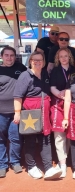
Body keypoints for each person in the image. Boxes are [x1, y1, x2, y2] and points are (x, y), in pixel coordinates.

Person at [13, 51, 61, 180]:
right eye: (35, 60)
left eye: (40, 60)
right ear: (30, 61)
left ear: (43, 61)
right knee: (30, 140)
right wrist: (17, 113)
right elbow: (18, 96)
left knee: (45, 139)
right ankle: (31, 167)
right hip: (30, 113)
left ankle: (48, 167)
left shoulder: (45, 73)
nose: (38, 62)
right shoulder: (25, 76)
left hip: (44, 112)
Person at [0, 47, 26, 178]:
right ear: (2, 56)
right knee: (1, 139)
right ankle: (2, 165)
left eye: (11, 55)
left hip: (17, 111)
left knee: (15, 138)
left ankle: (15, 162)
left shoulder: (21, 68)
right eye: (6, 55)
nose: (9, 58)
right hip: (1, 112)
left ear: (15, 57)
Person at [50, 48, 75, 178]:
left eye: (66, 56)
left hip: (73, 105)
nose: (64, 58)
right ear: (58, 58)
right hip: (58, 104)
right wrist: (59, 94)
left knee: (70, 134)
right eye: (61, 57)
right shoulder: (55, 71)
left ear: (69, 57)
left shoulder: (74, 69)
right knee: (59, 135)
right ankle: (62, 164)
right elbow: (52, 87)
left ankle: (67, 159)